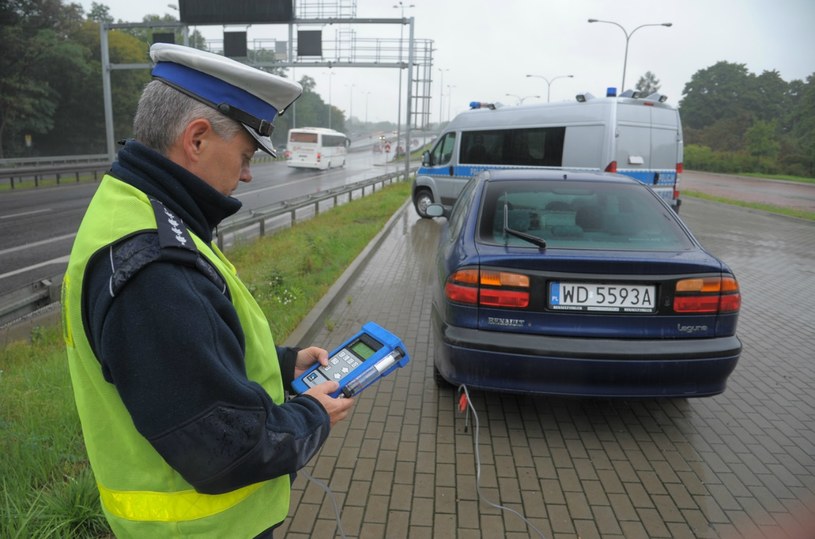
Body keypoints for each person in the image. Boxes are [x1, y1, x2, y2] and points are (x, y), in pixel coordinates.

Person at [61, 43, 355, 538]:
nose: (245, 174)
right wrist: (312, 415)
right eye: (244, 155)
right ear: (197, 139)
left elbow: (183, 357)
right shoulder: (155, 266)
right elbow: (225, 449)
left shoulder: (139, 210)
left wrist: (283, 367)